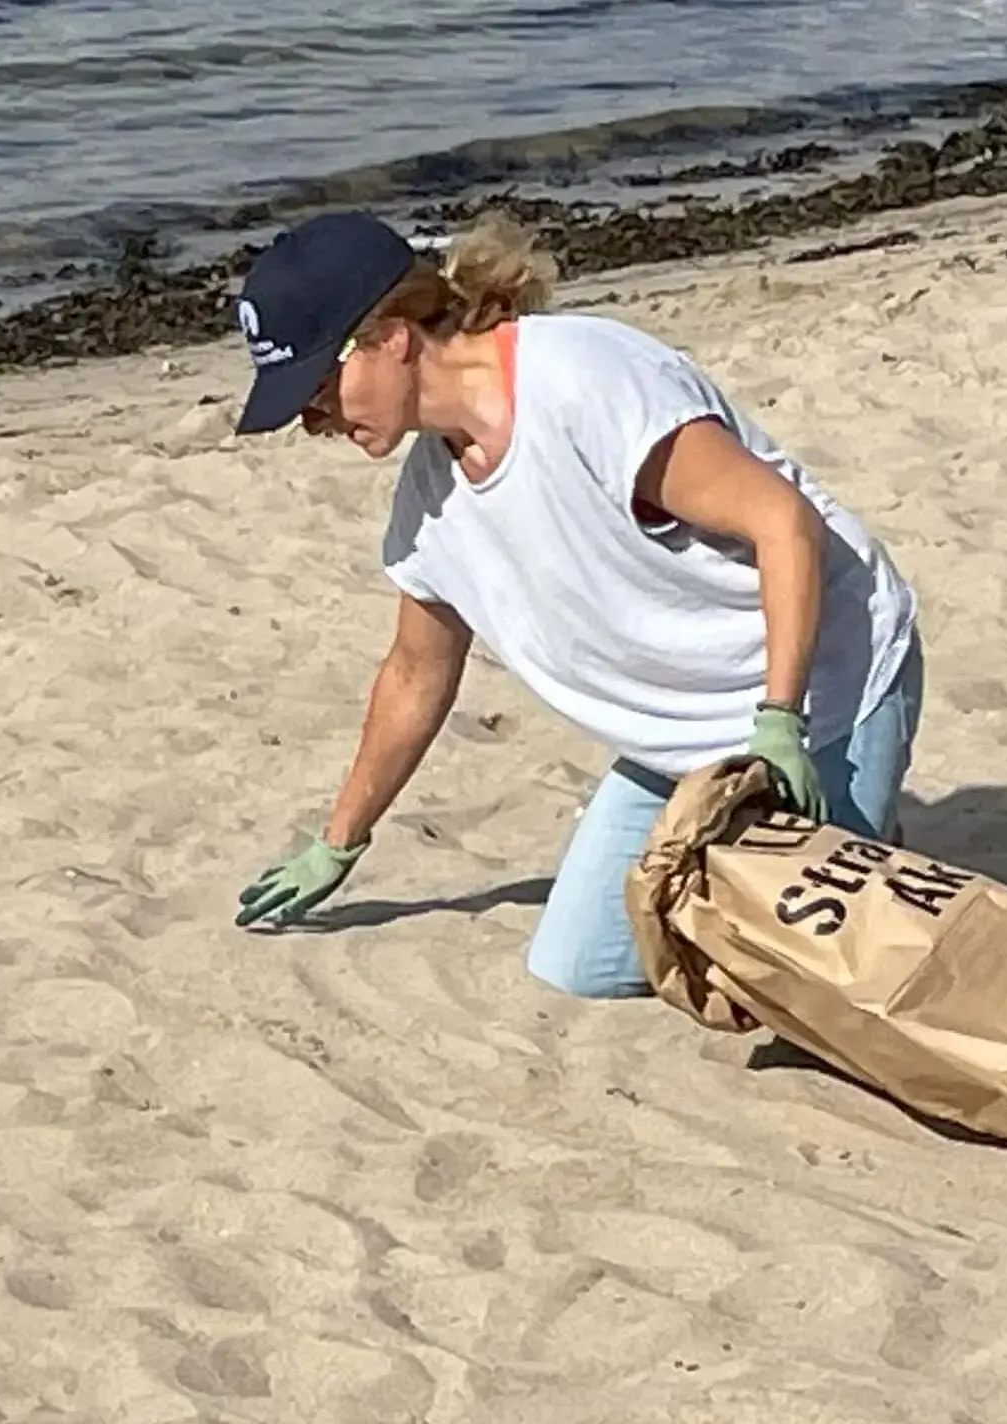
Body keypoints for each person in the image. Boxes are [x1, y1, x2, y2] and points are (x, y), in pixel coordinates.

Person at [225, 209, 925, 998]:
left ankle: (866, 820)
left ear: (392, 335)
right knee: (581, 963)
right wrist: (338, 844)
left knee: (810, 974)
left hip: (829, 688)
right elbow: (415, 676)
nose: (312, 421)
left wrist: (780, 720)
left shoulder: (587, 384)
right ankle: (782, 839)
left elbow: (784, 523)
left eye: (316, 387)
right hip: (682, 740)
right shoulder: (429, 508)